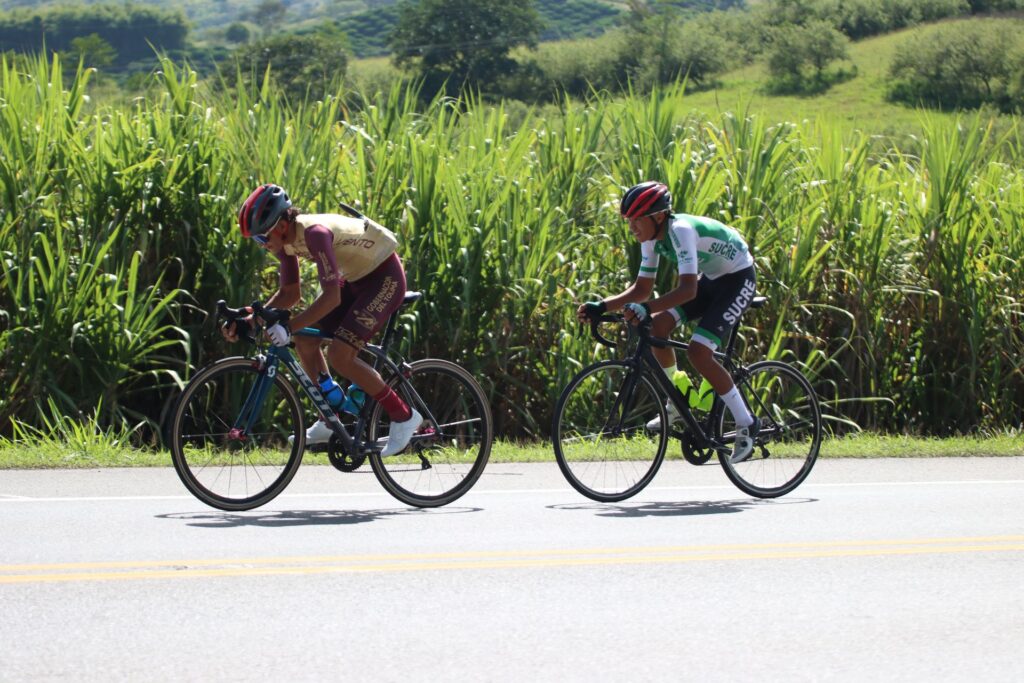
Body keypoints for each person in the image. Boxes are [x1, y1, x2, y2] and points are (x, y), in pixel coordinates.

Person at [223, 183, 422, 457]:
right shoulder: (284, 243)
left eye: (261, 238)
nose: (262, 245)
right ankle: (331, 416)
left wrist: (288, 326)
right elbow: (290, 293)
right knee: (305, 338)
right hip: (354, 279)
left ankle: (403, 415)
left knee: (340, 355)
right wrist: (251, 320)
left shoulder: (315, 234)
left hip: (383, 279)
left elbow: (331, 298)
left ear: (280, 225)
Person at [576, 181, 760, 462]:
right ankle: (677, 399)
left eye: (636, 220)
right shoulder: (651, 239)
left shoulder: (681, 231)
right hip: (712, 280)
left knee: (700, 351)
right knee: (659, 326)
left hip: (738, 279)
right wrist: (601, 306)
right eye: (629, 221)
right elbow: (641, 289)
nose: (632, 228)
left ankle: (747, 423)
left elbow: (688, 290)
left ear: (658, 216)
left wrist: (644, 308)